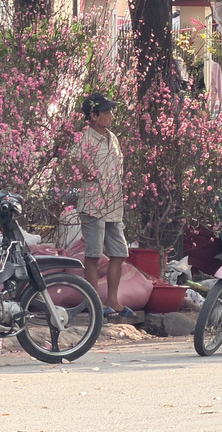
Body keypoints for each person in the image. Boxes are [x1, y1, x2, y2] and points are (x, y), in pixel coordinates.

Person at [74, 92, 132, 320]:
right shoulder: (84, 139)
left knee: (119, 252)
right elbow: (77, 166)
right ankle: (94, 302)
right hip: (93, 203)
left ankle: (114, 301)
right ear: (93, 115)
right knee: (93, 253)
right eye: (106, 112)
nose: (111, 116)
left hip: (114, 205)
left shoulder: (113, 138)